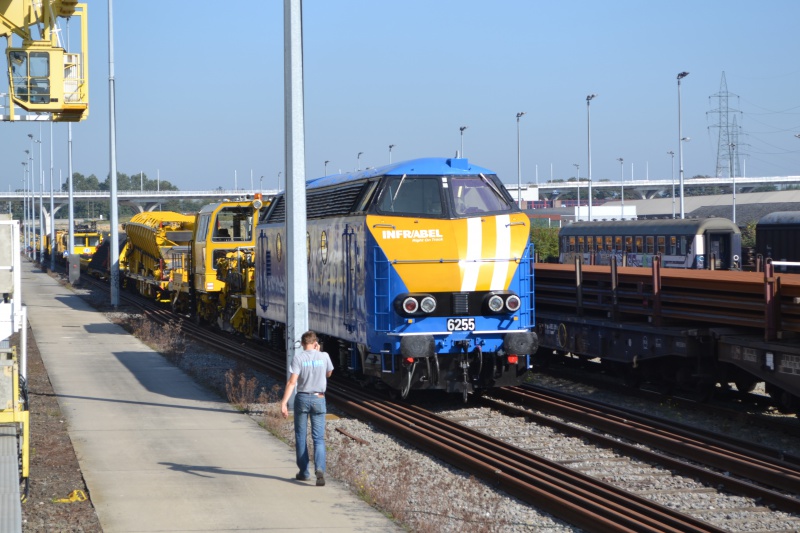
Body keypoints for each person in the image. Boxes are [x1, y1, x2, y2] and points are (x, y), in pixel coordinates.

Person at [280, 330, 334, 486]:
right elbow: (329, 373)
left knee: (301, 436)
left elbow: (291, 383)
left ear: (303, 344)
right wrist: (319, 354)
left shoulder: (299, 358)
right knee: (318, 438)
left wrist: (284, 403)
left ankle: (304, 472)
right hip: (319, 398)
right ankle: (320, 470)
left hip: (302, 398)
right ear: (316, 342)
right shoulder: (324, 356)